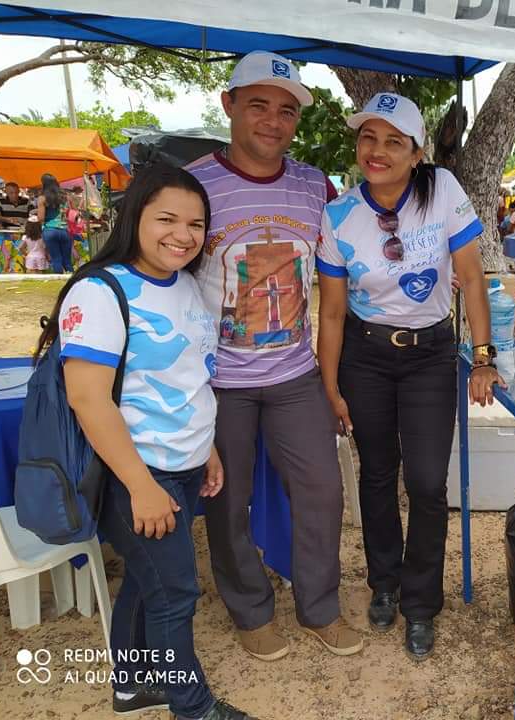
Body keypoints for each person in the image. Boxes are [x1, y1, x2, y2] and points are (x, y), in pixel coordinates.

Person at [34, 162, 257, 720]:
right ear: (135, 217)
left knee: (147, 576)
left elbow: (186, 376)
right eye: (166, 219)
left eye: (196, 224)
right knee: (176, 592)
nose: (182, 235)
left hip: (180, 466)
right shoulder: (101, 290)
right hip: (136, 473)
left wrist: (203, 448)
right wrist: (140, 486)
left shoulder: (183, 285)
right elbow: (89, 399)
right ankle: (193, 706)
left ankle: (134, 685)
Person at [187, 50, 361, 663]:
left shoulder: (316, 186)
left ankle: (320, 608)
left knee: (321, 492)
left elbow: (345, 272)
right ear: (229, 104)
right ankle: (251, 610)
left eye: (286, 110)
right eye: (257, 104)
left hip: (294, 375)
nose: (273, 120)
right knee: (226, 497)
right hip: (216, 381)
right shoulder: (193, 185)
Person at [316, 91, 502, 661]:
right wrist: (330, 386)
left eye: (394, 141)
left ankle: (421, 604)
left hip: (429, 357)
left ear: (417, 151)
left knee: (425, 483)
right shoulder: (340, 213)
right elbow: (330, 311)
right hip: (366, 357)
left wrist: (485, 355)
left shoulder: (441, 191)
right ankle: (385, 584)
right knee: (377, 475)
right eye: (368, 137)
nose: (377, 151)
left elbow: (471, 280)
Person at [37, 173, 72, 272]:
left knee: (56, 259)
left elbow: (41, 218)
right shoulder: (66, 197)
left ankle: (59, 280)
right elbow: (72, 212)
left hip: (50, 230)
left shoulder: (42, 198)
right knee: (67, 261)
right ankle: (72, 281)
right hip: (65, 230)